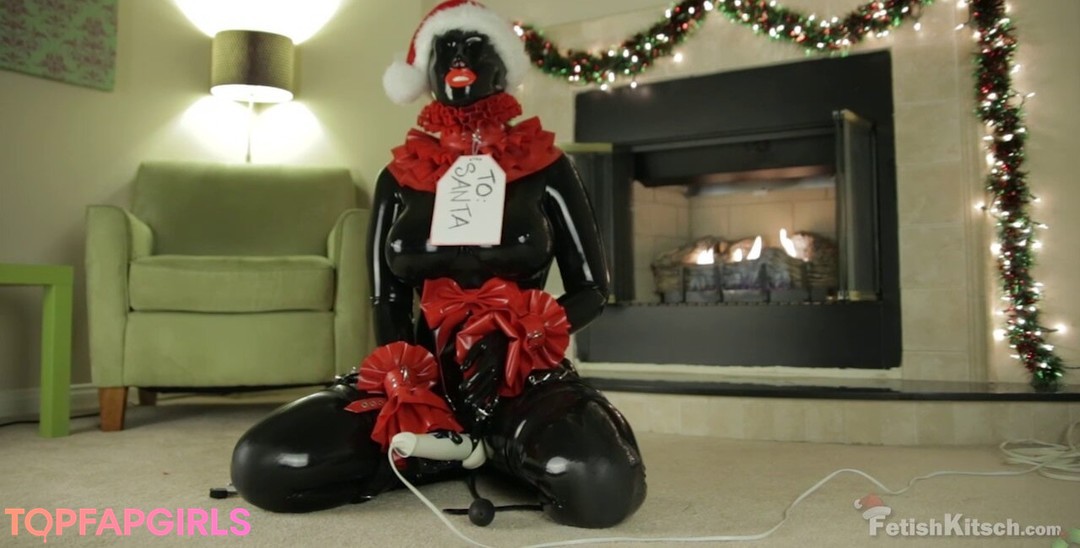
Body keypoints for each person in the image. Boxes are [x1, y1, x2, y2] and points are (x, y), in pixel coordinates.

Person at [231, 0, 646, 529]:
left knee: (601, 483)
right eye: (444, 48)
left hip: (519, 376)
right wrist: (403, 380)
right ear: (424, 71)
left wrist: (517, 341)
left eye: (476, 46)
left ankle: (482, 443)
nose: (459, 58)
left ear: (504, 67)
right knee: (264, 463)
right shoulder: (400, 175)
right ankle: (446, 449)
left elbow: (592, 289)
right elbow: (385, 297)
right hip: (419, 376)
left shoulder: (546, 165)